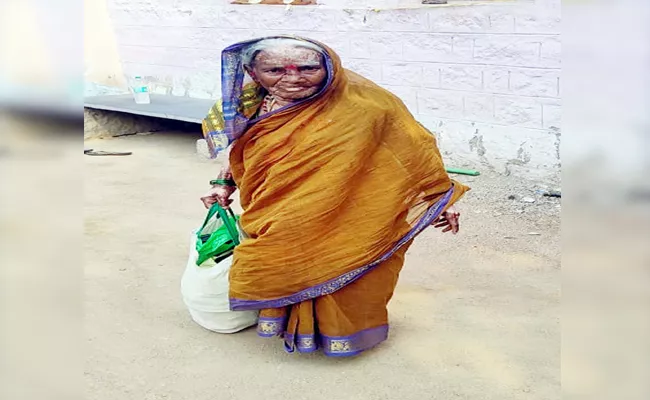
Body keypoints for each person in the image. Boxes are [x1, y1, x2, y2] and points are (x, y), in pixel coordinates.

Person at [199, 36, 469, 357]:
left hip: (344, 212)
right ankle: (291, 326)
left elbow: (411, 153)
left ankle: (341, 335)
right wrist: (222, 183)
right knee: (280, 260)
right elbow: (236, 150)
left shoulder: (370, 107)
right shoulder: (246, 104)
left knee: (344, 262)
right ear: (252, 72)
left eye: (307, 68)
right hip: (275, 210)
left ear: (329, 66)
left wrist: (437, 199)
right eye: (274, 70)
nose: (293, 78)